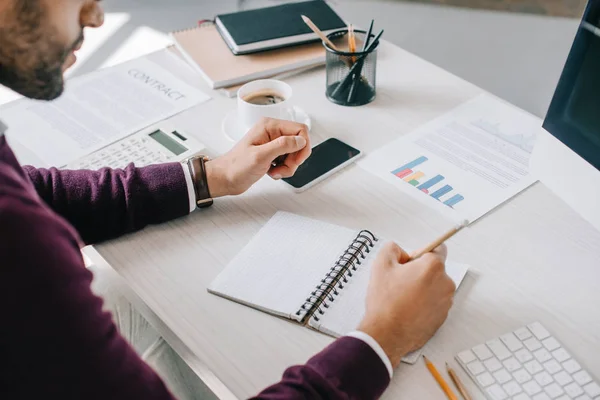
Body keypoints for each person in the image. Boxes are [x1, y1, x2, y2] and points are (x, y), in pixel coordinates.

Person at [0, 1, 457, 399]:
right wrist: (384, 338)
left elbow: (39, 192)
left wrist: (212, 176)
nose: (96, 15)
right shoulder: (19, 247)